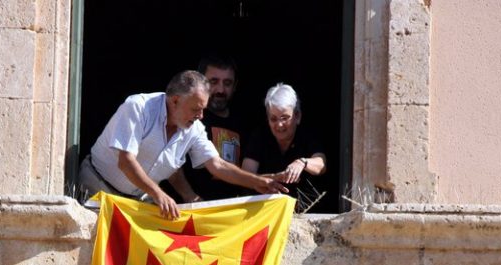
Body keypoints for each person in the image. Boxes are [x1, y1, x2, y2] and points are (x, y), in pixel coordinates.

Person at [78, 71, 291, 219]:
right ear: (175, 100)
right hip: (97, 188)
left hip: (136, 201)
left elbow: (217, 165)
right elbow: (126, 161)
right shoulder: (138, 107)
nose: (201, 116)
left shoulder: (194, 127)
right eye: (196, 109)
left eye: (203, 109)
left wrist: (256, 182)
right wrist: (158, 193)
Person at [164, 56, 248, 202]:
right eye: (213, 82)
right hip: (187, 209)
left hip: (230, 209)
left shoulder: (244, 122)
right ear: (200, 83)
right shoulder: (185, 117)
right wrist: (191, 197)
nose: (221, 90)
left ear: (235, 86)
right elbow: (169, 161)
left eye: (227, 83)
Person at [242, 83, 326, 208]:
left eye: (285, 118)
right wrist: (269, 182)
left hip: (305, 212)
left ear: (297, 116)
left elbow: (321, 165)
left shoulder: (307, 135)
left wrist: (302, 163)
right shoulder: (259, 136)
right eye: (273, 119)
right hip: (266, 210)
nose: (279, 125)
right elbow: (245, 176)